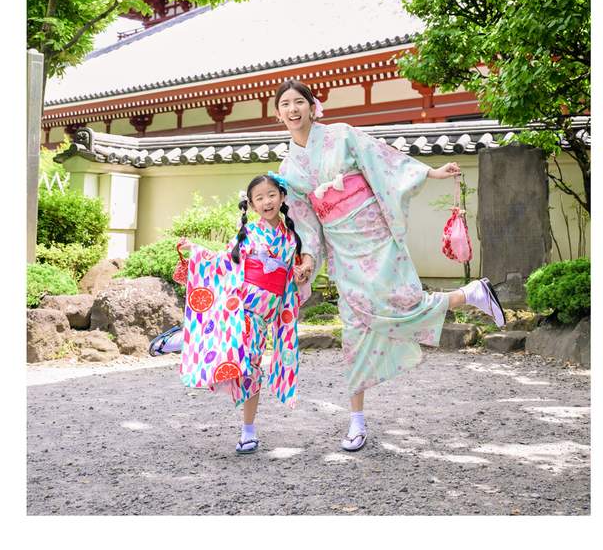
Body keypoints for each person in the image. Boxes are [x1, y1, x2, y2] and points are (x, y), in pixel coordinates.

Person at [274, 78, 505, 452]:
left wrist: (429, 173)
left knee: (402, 305)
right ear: (278, 113)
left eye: (299, 102)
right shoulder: (288, 167)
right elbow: (304, 221)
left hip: (371, 232)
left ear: (312, 106)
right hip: (341, 246)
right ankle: (356, 422)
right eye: (284, 104)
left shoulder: (342, 135)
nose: (292, 109)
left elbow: (381, 159)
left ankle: (471, 294)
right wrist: (308, 259)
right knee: (355, 327)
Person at [178, 173, 309, 454]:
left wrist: (297, 274)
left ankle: (248, 429)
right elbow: (225, 261)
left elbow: (290, 277)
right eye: (259, 198)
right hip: (241, 311)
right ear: (251, 205)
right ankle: (247, 431)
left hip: (266, 316)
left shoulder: (291, 239)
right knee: (249, 367)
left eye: (271, 195)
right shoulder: (249, 233)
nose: (266, 201)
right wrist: (197, 252)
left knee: (249, 368)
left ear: (282, 197)